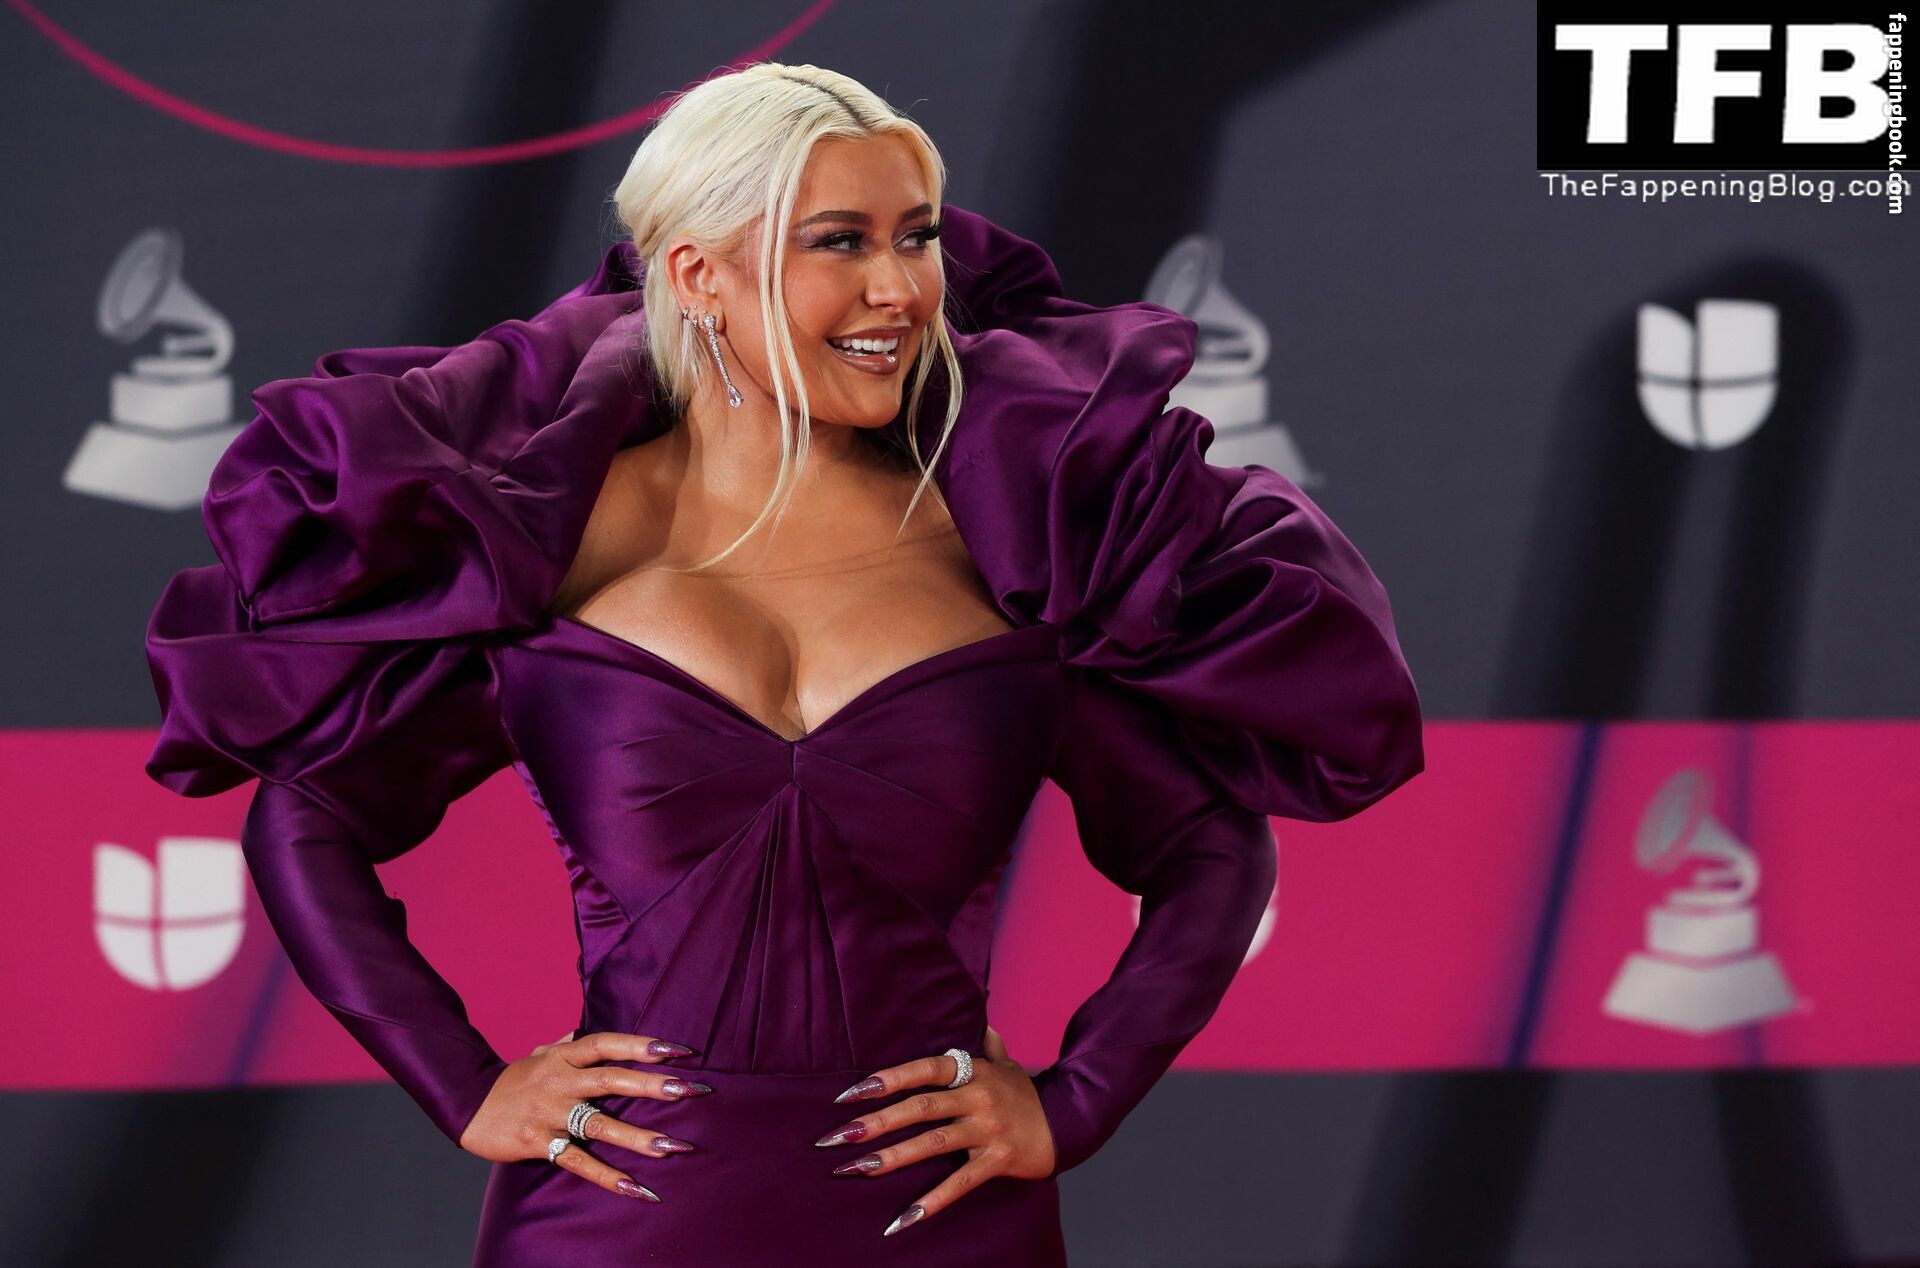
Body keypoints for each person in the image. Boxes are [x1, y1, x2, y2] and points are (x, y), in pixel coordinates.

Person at [143, 62, 1424, 1265]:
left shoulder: (1014, 543)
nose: (901, 289)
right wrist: (467, 1083)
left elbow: (1209, 845)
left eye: (916, 236)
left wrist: (1076, 1098)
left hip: (944, 1223)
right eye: (841, 242)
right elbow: (308, 816)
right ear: (697, 273)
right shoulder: (546, 550)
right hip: (610, 1225)